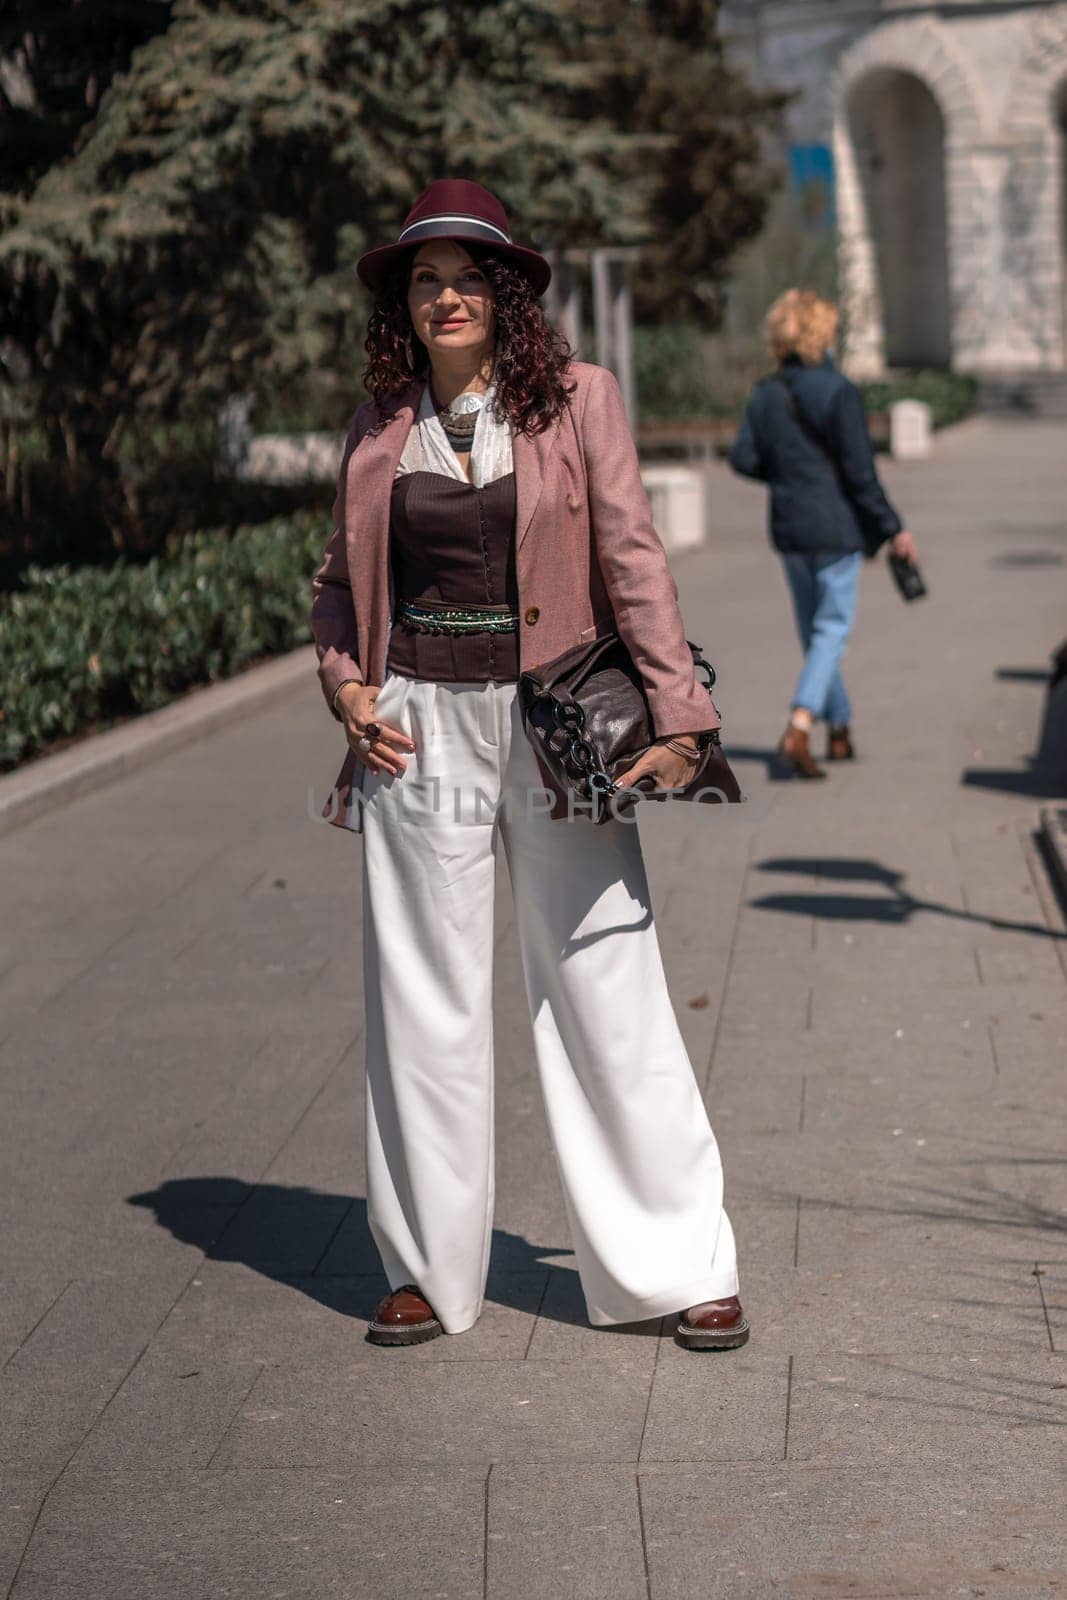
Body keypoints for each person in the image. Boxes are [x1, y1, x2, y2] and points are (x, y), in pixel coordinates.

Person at [309, 178, 747, 1352]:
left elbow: (632, 554)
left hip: (558, 719)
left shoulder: (578, 400)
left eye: (464, 277)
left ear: (504, 294)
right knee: (420, 995)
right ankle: (422, 1267)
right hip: (415, 725)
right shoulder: (376, 427)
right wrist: (347, 685)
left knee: (604, 975)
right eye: (422, 278)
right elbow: (334, 589)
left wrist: (678, 710)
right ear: (402, 302)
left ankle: (677, 1258)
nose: (443, 296)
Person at [730, 288, 920, 778]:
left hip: (791, 527)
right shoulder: (838, 391)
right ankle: (800, 723)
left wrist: (788, 474)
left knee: (815, 631)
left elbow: (744, 459)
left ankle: (839, 727)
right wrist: (893, 528)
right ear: (823, 334)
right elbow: (861, 474)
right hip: (835, 527)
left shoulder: (766, 393)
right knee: (831, 630)